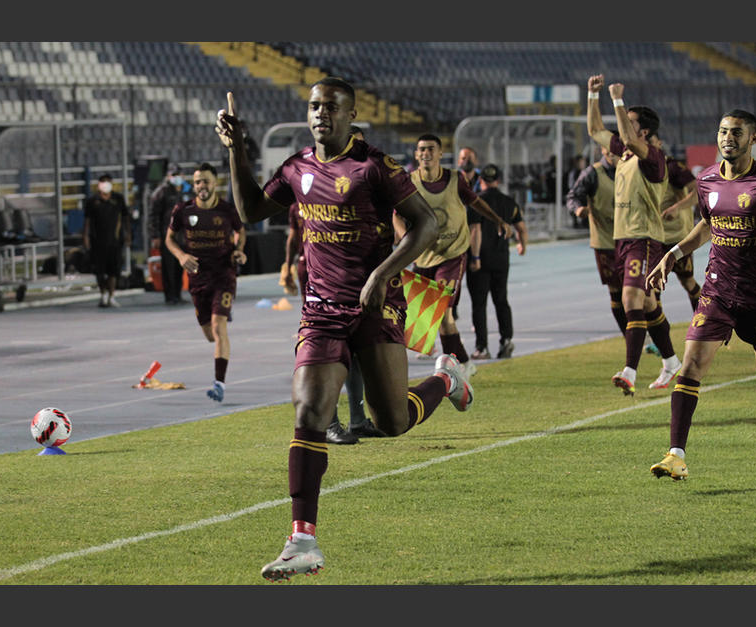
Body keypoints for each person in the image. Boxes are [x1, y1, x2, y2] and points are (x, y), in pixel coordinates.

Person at [216, 77, 475, 581]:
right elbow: (249, 210)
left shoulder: (374, 166)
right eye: (314, 107)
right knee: (310, 409)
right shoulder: (296, 168)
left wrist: (384, 273)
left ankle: (445, 379)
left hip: (376, 304)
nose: (320, 115)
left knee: (392, 420)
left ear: (351, 114)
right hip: (321, 309)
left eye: (331, 108)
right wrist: (237, 150)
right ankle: (302, 540)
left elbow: (426, 224)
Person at [646, 109, 756, 480]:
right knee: (692, 363)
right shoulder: (707, 180)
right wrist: (674, 253)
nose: (728, 138)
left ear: (753, 139)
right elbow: (706, 226)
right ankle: (675, 455)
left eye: (737, 132)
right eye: (723, 131)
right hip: (717, 289)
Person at [280, 125, 384, 445]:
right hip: (320, 276)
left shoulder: (371, 186)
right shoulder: (313, 183)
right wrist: (286, 265)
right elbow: (295, 231)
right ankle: (330, 421)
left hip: (357, 275)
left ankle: (356, 418)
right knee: (331, 346)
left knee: (354, 347)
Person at [586, 74, 681, 395]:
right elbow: (595, 131)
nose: (622, 126)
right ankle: (671, 361)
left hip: (645, 237)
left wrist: (617, 99)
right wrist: (592, 96)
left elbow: (626, 139)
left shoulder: (653, 159)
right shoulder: (626, 154)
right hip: (623, 238)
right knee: (649, 303)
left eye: (628, 122)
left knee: (631, 298)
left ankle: (629, 370)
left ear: (644, 133)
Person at [394, 134, 515, 380]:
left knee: (444, 313)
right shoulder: (409, 183)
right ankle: (464, 362)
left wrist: (498, 220)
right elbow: (395, 214)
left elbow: (476, 202)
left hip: (452, 254)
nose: (426, 153)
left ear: (440, 154)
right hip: (424, 255)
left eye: (430, 149)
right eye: (421, 150)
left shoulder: (455, 180)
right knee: (425, 324)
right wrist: (405, 238)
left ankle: (456, 370)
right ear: (416, 155)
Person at [165, 163, 247, 402]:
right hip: (197, 278)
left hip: (224, 275)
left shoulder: (227, 211)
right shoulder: (183, 210)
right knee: (210, 335)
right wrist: (181, 256)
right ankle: (219, 316)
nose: (202, 186)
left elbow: (240, 232)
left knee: (219, 327)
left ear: (215, 183)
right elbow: (169, 239)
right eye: (198, 181)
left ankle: (219, 383)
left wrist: (239, 251)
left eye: (206, 181)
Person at [465, 163, 528, 360]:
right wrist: (522, 245)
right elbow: (522, 228)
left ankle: (482, 347)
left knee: (479, 304)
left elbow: (475, 231)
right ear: (498, 180)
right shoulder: (509, 202)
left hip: (481, 260)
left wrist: (474, 257)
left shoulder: (476, 202)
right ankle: (506, 339)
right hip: (501, 259)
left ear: (480, 180)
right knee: (501, 300)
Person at [566, 141, 628, 337]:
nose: (612, 152)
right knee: (617, 292)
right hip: (605, 241)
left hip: (632, 238)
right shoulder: (592, 173)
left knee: (638, 292)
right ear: (602, 149)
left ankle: (644, 333)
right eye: (608, 147)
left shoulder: (632, 169)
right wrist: (578, 209)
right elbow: (572, 196)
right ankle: (630, 336)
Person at [654, 135, 701, 312]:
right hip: (653, 237)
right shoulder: (638, 167)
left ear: (658, 143)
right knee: (652, 286)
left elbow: (697, 191)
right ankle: (655, 337)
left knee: (687, 281)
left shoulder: (671, 167)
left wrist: (676, 208)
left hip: (676, 237)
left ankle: (705, 322)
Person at [83, 173, 131, 308]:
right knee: (99, 270)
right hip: (97, 241)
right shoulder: (92, 201)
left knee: (113, 270)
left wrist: (128, 235)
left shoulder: (118, 199)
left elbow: (126, 217)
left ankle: (111, 296)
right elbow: (87, 221)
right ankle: (102, 294)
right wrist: (85, 237)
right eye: (103, 182)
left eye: (108, 182)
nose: (105, 184)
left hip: (115, 241)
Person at [149, 163, 192, 305]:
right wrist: (155, 235)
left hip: (183, 235)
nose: (177, 178)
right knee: (168, 266)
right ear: (168, 176)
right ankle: (170, 295)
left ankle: (178, 294)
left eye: (179, 175)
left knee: (180, 265)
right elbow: (153, 216)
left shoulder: (187, 191)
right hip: (167, 236)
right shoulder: (161, 192)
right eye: (174, 175)